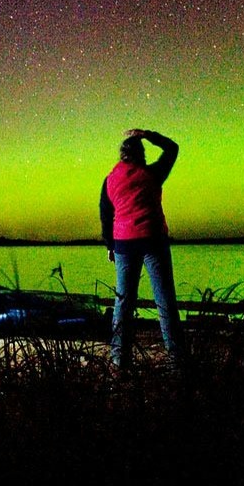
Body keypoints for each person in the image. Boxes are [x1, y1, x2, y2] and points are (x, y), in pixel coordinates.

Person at [99, 128, 186, 371]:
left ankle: (119, 360)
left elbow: (105, 215)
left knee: (123, 303)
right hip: (153, 240)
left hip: (124, 244)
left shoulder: (110, 181)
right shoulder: (152, 173)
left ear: (122, 155)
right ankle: (177, 362)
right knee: (165, 301)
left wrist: (110, 245)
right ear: (141, 154)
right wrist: (148, 134)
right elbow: (172, 148)